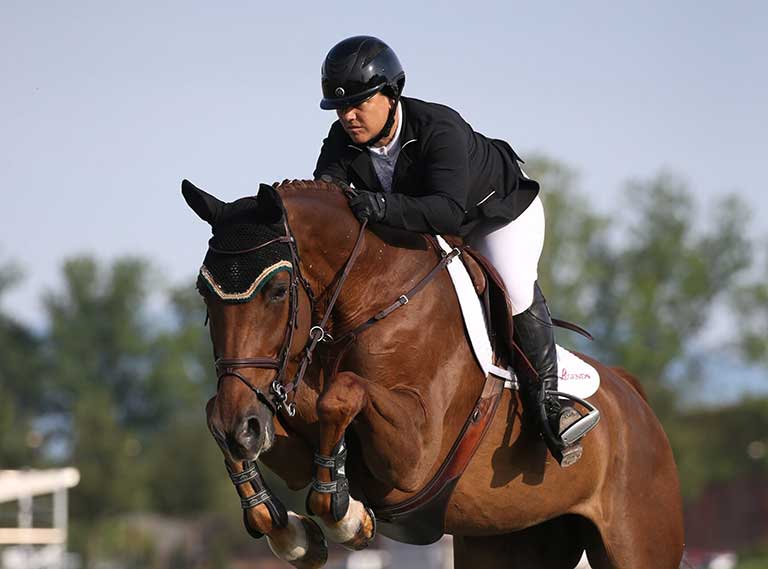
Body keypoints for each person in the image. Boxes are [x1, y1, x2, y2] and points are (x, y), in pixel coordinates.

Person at [313, 35, 597, 467]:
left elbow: (446, 213)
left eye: (358, 103)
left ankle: (551, 409)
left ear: (391, 93)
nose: (347, 116)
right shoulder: (341, 141)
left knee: (513, 288)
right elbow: (328, 202)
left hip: (498, 215)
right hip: (426, 222)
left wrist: (380, 206)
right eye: (339, 107)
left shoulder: (437, 127)